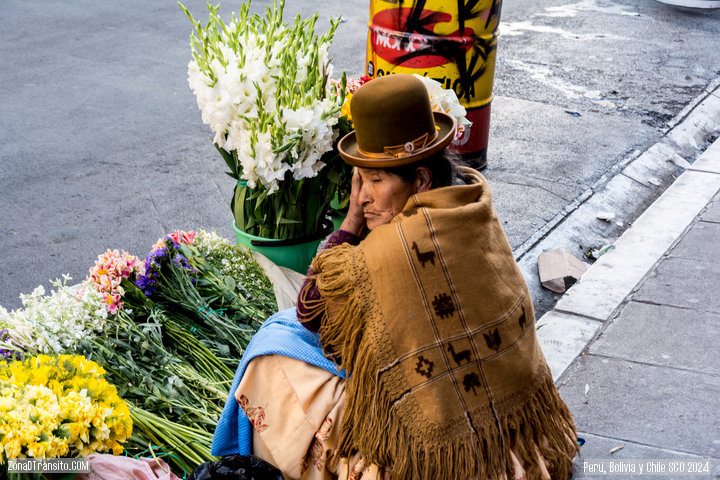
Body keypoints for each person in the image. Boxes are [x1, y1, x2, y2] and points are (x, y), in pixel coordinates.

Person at [212, 74, 579, 480]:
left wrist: (350, 224)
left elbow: (309, 309)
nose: (363, 196)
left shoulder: (390, 252)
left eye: (376, 180)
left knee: (271, 357)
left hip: (440, 457)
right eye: (360, 179)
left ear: (420, 179)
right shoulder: (472, 205)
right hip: (519, 438)